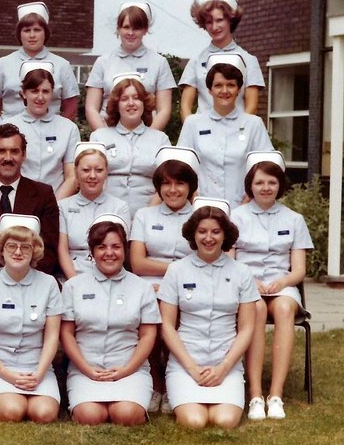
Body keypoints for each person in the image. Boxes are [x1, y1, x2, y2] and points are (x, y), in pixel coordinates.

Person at [158, 201, 259, 429]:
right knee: (194, 421)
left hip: (226, 364)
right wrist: (192, 368)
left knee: (224, 421)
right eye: (202, 231)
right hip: (186, 364)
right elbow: (166, 325)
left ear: (225, 235)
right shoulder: (176, 271)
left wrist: (223, 368)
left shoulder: (241, 273)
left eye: (215, 231)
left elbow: (247, 329)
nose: (208, 238)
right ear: (193, 234)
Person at [232, 152, 313, 420]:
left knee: (285, 308)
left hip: (282, 284)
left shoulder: (294, 219)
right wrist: (251, 281)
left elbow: (299, 269)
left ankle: (275, 395)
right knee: (254, 309)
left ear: (280, 185)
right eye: (259, 183)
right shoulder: (236, 217)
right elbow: (230, 262)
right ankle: (255, 395)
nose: (265, 188)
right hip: (247, 285)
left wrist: (283, 281)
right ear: (250, 186)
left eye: (271, 182)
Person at [60, 216, 160, 426]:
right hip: (86, 368)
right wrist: (87, 369)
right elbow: (67, 334)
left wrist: (126, 370)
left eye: (116, 247)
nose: (109, 253)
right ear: (92, 251)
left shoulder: (142, 287)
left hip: (129, 369)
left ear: (125, 249)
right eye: (101, 247)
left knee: (126, 415)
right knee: (90, 416)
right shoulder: (73, 286)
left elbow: (148, 336)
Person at [0, 215, 62, 423]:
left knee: (44, 414)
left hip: (35, 365)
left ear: (34, 251)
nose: (18, 252)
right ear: (1, 249)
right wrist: (6, 374)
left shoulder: (49, 284)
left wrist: (39, 373)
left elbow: (51, 337)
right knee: (13, 411)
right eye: (11, 246)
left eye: (25, 247)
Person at [128, 146, 200, 413]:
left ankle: (171, 384)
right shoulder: (145, 216)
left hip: (192, 286)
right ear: (158, 187)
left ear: (191, 186)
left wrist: (171, 280)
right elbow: (137, 262)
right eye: (166, 184)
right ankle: (156, 383)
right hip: (148, 284)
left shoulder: (201, 217)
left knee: (169, 303)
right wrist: (174, 273)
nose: (173, 190)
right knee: (154, 303)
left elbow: (204, 262)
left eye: (180, 183)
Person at [0, 123, 61, 283]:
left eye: (14, 151)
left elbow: (48, 251)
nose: (8, 158)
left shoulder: (44, 194)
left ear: (24, 154)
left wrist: (23, 279)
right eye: (1, 151)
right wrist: (0, 283)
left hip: (34, 281)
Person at [177, 53, 273, 205]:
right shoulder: (193, 124)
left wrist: (249, 198)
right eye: (218, 85)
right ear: (209, 90)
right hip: (202, 207)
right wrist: (194, 197)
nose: (224, 91)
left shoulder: (254, 124)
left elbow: (267, 166)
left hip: (242, 207)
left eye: (231, 85)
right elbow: (181, 167)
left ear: (239, 89)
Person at [89, 75, 171, 217]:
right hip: (106, 214)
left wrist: (147, 214)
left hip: (150, 214)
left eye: (136, 98)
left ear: (144, 103)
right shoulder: (99, 137)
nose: (131, 103)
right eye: (124, 99)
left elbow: (169, 182)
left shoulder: (160, 140)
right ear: (116, 104)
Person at [84, 2, 176, 131]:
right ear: (118, 29)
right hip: (108, 132)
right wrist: (104, 136)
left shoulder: (159, 63)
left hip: (147, 133)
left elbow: (164, 110)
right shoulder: (103, 62)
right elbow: (91, 108)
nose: (131, 33)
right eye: (126, 27)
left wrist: (150, 138)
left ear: (145, 30)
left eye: (136, 28)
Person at [179, 0, 264, 120]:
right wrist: (194, 132)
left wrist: (241, 132)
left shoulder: (249, 60)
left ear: (231, 20)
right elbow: (185, 106)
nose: (214, 27)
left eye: (219, 20)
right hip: (203, 133)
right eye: (208, 22)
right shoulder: (196, 61)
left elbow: (251, 106)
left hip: (237, 131)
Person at [0, 2, 79, 120]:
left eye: (37, 30)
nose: (32, 35)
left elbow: (71, 105)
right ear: (19, 34)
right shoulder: (2, 64)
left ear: (45, 33)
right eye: (26, 30)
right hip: (11, 132)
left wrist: (59, 129)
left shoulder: (62, 65)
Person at [1, 62, 79, 197]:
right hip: (17, 204)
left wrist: (53, 206)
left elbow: (72, 177)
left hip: (56, 204)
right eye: (34, 91)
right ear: (23, 93)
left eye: (46, 91)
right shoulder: (7, 126)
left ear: (52, 94)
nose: (40, 97)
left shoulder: (69, 128)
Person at [57, 143, 131, 280]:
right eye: (86, 170)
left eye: (99, 170)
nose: (92, 176)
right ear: (76, 172)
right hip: (73, 275)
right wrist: (74, 282)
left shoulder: (120, 207)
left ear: (106, 173)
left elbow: (121, 250)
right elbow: (62, 250)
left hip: (111, 275)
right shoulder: (63, 207)